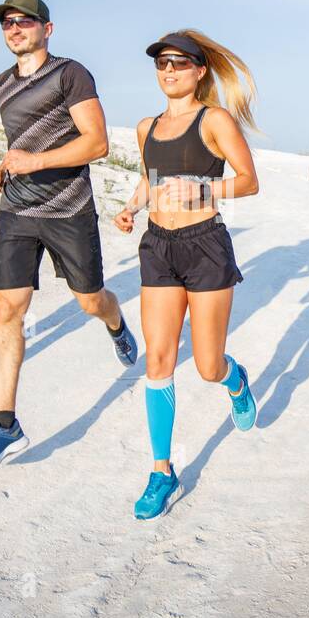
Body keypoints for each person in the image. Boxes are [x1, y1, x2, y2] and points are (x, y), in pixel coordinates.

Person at [0, 0, 138, 468]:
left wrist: (35, 161)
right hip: (17, 211)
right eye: (7, 24)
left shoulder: (70, 74)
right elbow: (19, 145)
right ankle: (6, 426)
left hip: (68, 210)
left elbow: (97, 143)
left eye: (24, 21)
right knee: (8, 309)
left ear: (47, 28)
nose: (14, 29)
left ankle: (116, 323)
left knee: (90, 300)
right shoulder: (2, 83)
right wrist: (4, 169)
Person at [112, 30, 260, 520]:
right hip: (158, 246)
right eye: (161, 64)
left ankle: (235, 380)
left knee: (207, 365)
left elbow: (249, 180)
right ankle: (161, 471)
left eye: (179, 63)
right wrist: (132, 206)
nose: (169, 70)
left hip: (204, 247)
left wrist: (203, 193)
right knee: (158, 361)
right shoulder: (145, 127)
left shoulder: (213, 119)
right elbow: (150, 178)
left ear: (199, 71)